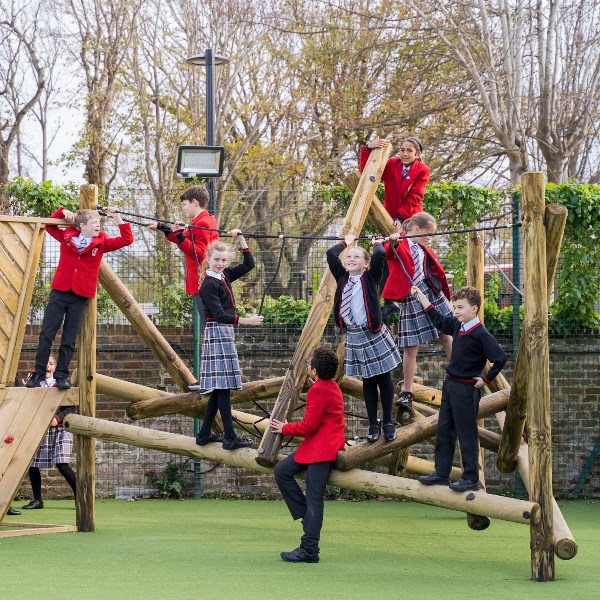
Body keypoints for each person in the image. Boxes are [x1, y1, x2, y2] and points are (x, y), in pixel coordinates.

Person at [26, 206, 133, 390]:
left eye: (99, 223)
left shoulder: (101, 242)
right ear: (83, 226)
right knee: (46, 334)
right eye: (94, 223)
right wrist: (61, 212)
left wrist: (118, 218)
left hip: (80, 296)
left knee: (69, 338)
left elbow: (127, 239)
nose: (98, 226)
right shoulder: (67, 235)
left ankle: (60, 376)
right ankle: (38, 373)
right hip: (60, 291)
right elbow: (48, 226)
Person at [413, 285, 507, 492]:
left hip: (466, 390)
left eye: (460, 308)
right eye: (454, 307)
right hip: (450, 386)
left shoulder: (480, 333)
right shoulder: (457, 325)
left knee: (467, 434)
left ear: (474, 309)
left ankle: (471, 478)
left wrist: (486, 379)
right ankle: (441, 473)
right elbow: (438, 319)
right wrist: (421, 297)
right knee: (444, 430)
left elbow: (500, 358)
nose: (456, 311)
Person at [271, 347, 345, 564]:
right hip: (320, 446)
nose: (308, 366)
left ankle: (310, 549)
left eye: (309, 364)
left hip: (322, 450)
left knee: (314, 500)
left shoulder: (318, 390)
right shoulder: (331, 387)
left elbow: (308, 426)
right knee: (282, 471)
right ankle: (307, 516)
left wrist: (284, 428)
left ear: (314, 370)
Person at [327, 235, 402, 443]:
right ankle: (372, 424)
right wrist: (347, 242)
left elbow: (380, 255)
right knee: (368, 381)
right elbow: (330, 253)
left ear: (366, 264)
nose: (351, 259)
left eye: (357, 257)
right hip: (355, 335)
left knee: (384, 378)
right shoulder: (342, 276)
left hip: (373, 333)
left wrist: (377, 242)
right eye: (349, 256)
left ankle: (387, 422)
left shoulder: (370, 278)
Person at [194, 231, 263, 450]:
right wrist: (246, 321)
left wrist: (241, 239)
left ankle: (204, 433)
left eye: (224, 260)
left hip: (225, 333)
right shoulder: (208, 285)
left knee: (219, 387)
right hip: (217, 332)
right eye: (217, 260)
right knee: (223, 387)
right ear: (208, 260)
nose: (221, 264)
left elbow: (249, 264)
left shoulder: (224, 276)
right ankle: (230, 437)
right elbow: (220, 315)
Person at [146, 185, 219, 390]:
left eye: (185, 205)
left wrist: (179, 236)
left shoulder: (203, 223)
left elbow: (199, 253)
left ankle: (210, 380)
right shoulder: (200, 222)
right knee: (209, 331)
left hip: (202, 284)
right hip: (201, 283)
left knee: (209, 331)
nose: (184, 209)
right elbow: (184, 238)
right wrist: (164, 228)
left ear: (195, 203)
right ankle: (209, 379)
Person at [382, 212, 452, 422]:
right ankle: (408, 391)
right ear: (417, 229)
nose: (430, 238)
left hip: (430, 291)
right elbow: (389, 252)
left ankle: (458, 369)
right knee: (410, 346)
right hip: (412, 295)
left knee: (446, 332)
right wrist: (392, 241)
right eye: (428, 234)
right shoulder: (401, 242)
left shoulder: (423, 248)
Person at [360, 136, 430, 320]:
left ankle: (407, 296)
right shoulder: (392, 163)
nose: (405, 154)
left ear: (417, 154)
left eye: (409, 151)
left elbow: (415, 195)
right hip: (389, 219)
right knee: (385, 255)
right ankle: (389, 302)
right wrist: (367, 148)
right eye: (402, 150)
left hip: (410, 219)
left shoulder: (422, 170)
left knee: (403, 257)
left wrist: (401, 217)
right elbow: (368, 173)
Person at [22, 355, 77, 509]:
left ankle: (80, 496)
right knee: (33, 464)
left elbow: (71, 408)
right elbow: (28, 406)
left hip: (59, 430)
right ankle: (38, 500)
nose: (48, 367)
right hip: (41, 429)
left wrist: (57, 418)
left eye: (51, 364)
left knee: (62, 464)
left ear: (55, 367)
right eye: (45, 364)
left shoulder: (62, 384)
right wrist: (28, 390)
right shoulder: (36, 384)